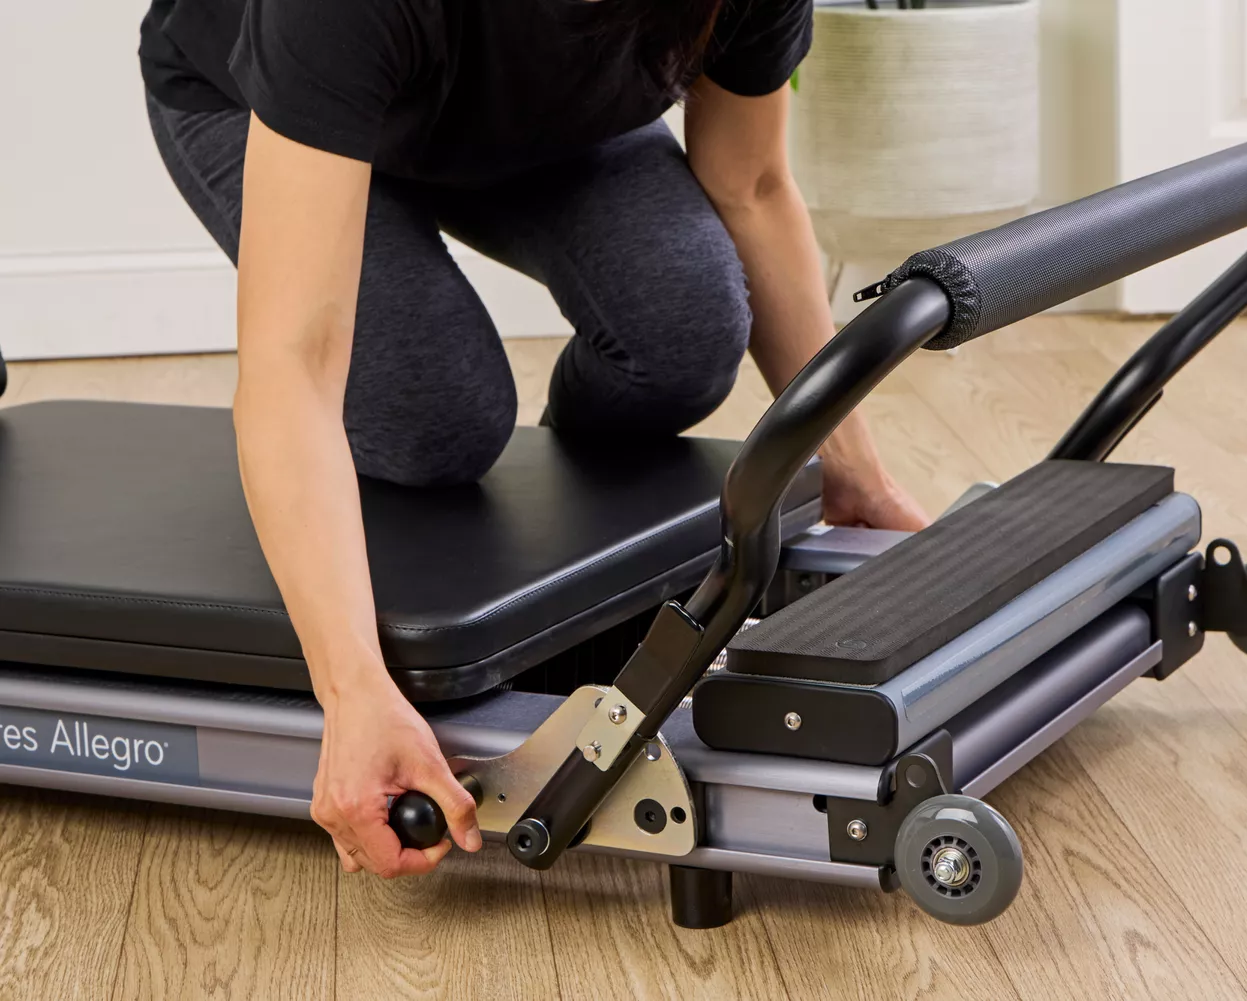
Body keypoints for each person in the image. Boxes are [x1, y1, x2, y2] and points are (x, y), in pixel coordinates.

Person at [138, 0, 928, 879]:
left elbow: (751, 185)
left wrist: (856, 473)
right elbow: (296, 367)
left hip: (542, 132)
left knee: (688, 329)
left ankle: (557, 546)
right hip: (260, 104)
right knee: (436, 416)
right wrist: (353, 688)